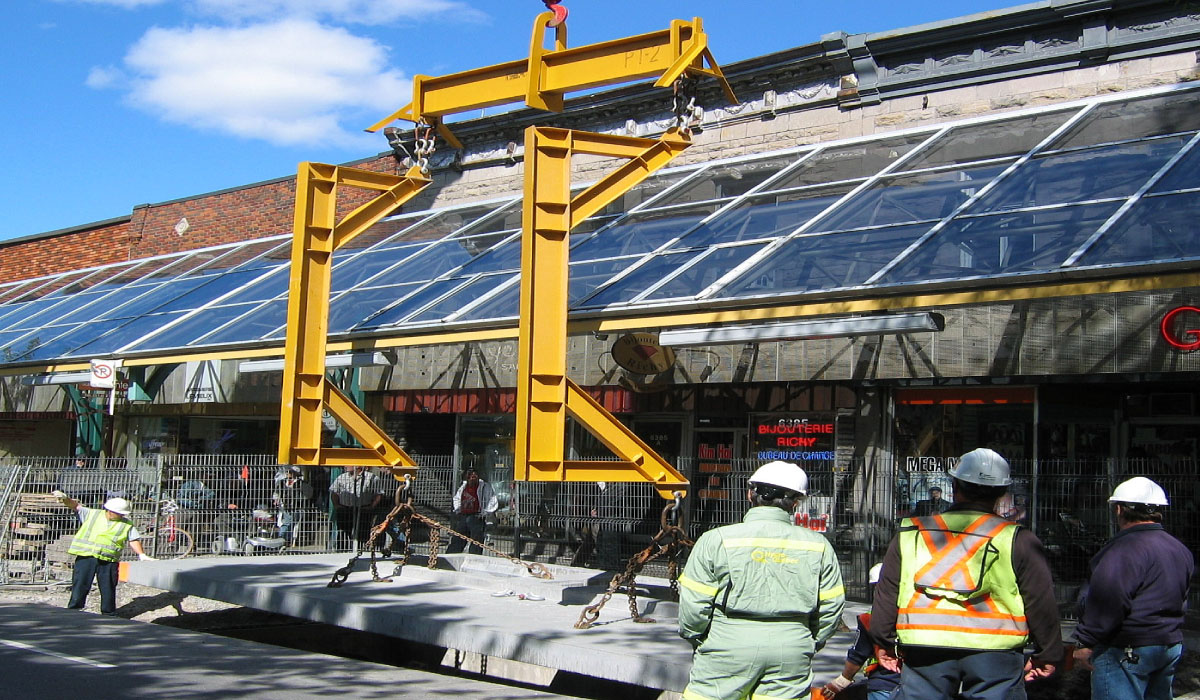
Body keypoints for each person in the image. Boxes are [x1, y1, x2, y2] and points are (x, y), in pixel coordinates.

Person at [871, 447, 1062, 700]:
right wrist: (1048, 652)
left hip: (925, 647)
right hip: (995, 652)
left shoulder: (911, 533)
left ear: (954, 485)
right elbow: (1039, 600)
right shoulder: (1017, 539)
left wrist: (882, 640)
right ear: (1003, 492)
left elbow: (887, 591)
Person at [678, 460, 845, 700]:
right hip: (792, 647)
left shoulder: (715, 540)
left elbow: (693, 605)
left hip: (726, 644)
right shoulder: (818, 546)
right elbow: (832, 606)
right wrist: (808, 640)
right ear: (795, 503)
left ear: (750, 494)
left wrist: (699, 638)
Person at [1071, 476, 1194, 700]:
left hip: (1126, 649)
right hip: (1167, 646)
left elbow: (1109, 602)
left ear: (1119, 510)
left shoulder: (1122, 550)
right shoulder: (1179, 550)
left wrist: (1085, 641)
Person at [51, 490, 153, 615]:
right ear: (110, 511)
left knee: (108, 587)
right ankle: (74, 610)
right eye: (120, 513)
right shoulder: (93, 514)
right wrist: (65, 498)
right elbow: (74, 505)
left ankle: (108, 613)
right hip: (86, 556)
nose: (122, 516)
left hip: (108, 560)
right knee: (80, 584)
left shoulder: (126, 524)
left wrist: (141, 554)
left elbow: (133, 539)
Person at [822, 563, 902, 700]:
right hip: (917, 685)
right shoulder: (915, 616)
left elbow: (858, 655)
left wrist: (841, 682)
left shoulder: (869, 618)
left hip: (883, 686)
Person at [329, 466, 383, 549]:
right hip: (345, 509)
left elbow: (378, 494)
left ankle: (362, 551)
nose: (345, 466)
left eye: (348, 464)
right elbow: (334, 492)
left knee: (363, 533)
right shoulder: (341, 477)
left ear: (358, 466)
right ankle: (342, 551)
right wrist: (336, 505)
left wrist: (372, 506)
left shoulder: (372, 478)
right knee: (343, 534)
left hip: (363, 510)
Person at [447, 469, 498, 555]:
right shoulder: (463, 486)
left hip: (476, 517)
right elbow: (457, 498)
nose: (472, 478)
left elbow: (492, 500)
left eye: (474, 476)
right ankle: (450, 556)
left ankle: (474, 558)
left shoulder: (485, 486)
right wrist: (458, 510)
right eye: (470, 476)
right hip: (464, 516)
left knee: (476, 542)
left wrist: (485, 512)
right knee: (458, 540)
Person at [272, 466, 313, 548]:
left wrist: (300, 500)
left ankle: (286, 540)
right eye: (287, 472)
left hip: (297, 507)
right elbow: (276, 492)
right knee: (287, 522)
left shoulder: (301, 483)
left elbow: (308, 494)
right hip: (285, 506)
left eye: (290, 472)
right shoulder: (282, 482)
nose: (287, 474)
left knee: (292, 523)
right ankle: (282, 538)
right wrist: (276, 499)